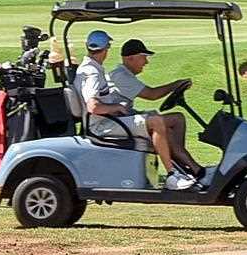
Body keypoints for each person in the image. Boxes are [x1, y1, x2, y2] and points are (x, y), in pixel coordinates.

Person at [94, 36, 200, 190]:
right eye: (143, 58)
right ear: (130, 58)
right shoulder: (120, 75)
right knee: (158, 122)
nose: (146, 62)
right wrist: (175, 84)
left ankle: (182, 161)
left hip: (124, 118)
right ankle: (180, 171)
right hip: (113, 121)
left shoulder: (125, 74)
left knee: (177, 118)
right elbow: (152, 94)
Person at [68, 28, 115, 118]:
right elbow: (93, 107)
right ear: (106, 48)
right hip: (101, 124)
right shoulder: (92, 73)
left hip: (106, 119)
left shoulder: (88, 68)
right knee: (150, 121)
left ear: (87, 46)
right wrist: (116, 107)